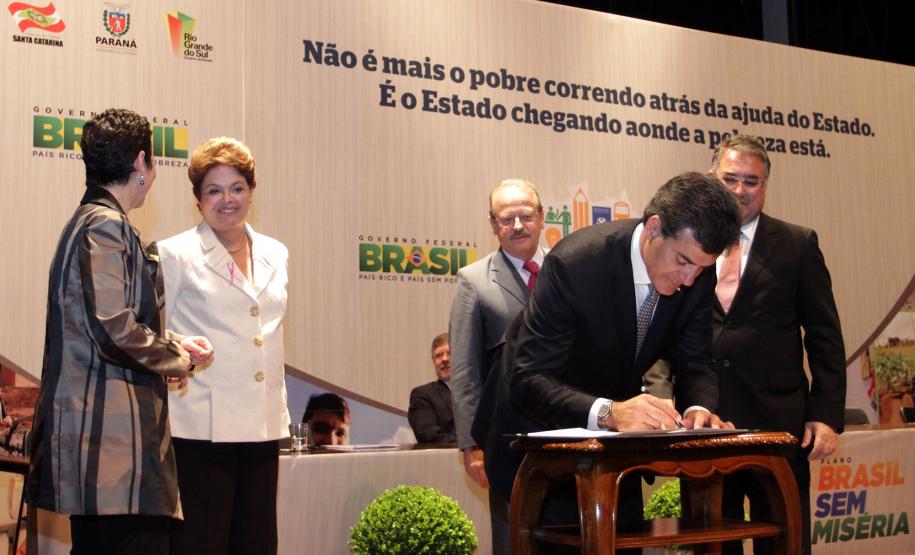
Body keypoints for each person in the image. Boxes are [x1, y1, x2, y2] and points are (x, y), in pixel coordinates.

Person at [482, 171, 741, 527]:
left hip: (617, 448)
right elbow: (529, 379)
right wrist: (610, 413)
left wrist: (699, 410)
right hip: (538, 439)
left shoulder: (697, 271)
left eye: (702, 267)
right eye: (682, 261)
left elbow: (695, 359)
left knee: (625, 537)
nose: (689, 279)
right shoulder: (576, 263)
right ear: (654, 228)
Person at [28, 108, 212, 554]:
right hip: (113, 452)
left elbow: (109, 322)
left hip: (106, 452)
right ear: (141, 163)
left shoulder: (90, 221)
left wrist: (171, 344)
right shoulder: (105, 225)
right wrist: (175, 358)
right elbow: (113, 329)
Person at [710, 135, 845, 554]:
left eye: (751, 181)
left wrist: (826, 415)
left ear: (765, 186)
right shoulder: (691, 239)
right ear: (713, 179)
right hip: (707, 424)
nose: (739, 190)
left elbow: (825, 336)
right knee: (712, 544)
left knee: (785, 543)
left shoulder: (797, 244)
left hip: (779, 425)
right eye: (730, 179)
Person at [158, 136, 290, 555]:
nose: (227, 200)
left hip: (262, 423)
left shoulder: (276, 252)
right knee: (203, 543)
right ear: (198, 199)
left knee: (257, 542)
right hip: (202, 428)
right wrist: (179, 346)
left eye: (237, 188)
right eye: (214, 190)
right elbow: (152, 331)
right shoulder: (173, 254)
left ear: (251, 192)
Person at [449, 178, 546, 554]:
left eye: (526, 216)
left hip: (567, 431)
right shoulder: (473, 281)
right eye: (507, 219)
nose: (518, 225)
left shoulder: (568, 271)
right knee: (513, 539)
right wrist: (472, 444)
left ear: (542, 217)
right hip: (505, 438)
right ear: (493, 224)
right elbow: (464, 371)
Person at [408, 332, 457, 443]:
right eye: (439, 356)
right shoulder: (422, 395)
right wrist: (470, 446)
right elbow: (429, 436)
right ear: (433, 361)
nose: (444, 359)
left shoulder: (478, 392)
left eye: (450, 353)